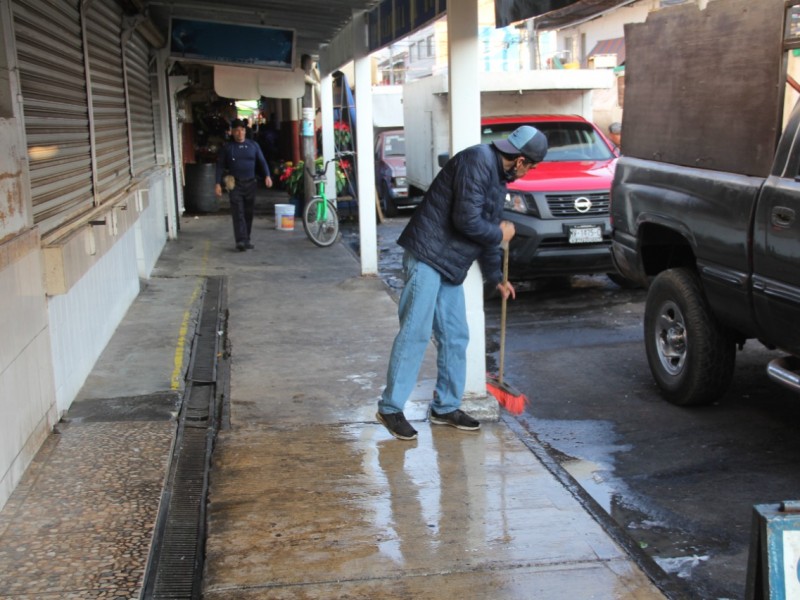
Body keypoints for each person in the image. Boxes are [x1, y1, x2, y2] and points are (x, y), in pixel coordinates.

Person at [377, 125, 548, 441]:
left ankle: (445, 407)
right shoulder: (477, 161)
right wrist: (500, 234)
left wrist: (496, 277)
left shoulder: (498, 178)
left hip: (450, 265)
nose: (529, 172)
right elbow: (467, 221)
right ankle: (390, 408)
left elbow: (486, 231)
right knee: (415, 333)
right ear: (522, 160)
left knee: (456, 336)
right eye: (532, 166)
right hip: (428, 257)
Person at [215, 118, 272, 251]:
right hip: (235, 184)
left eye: (241, 130)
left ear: (245, 131)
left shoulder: (253, 145)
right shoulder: (227, 148)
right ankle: (240, 240)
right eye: (236, 131)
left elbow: (262, 161)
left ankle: (246, 239)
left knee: (248, 213)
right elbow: (220, 166)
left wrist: (267, 176)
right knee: (238, 212)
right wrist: (217, 183)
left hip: (251, 183)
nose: (239, 133)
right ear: (232, 132)